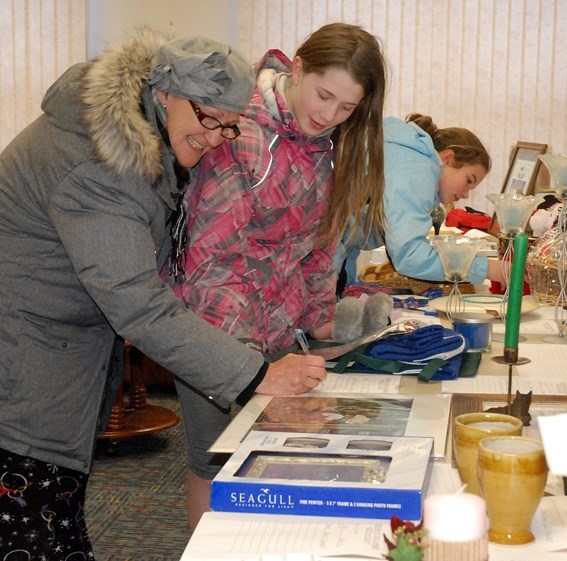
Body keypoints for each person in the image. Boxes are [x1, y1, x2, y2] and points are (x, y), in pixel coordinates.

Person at [0, 28, 327, 558]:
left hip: (54, 351)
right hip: (23, 358)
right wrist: (258, 375)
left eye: (230, 124)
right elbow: (137, 302)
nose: (218, 135)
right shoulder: (101, 164)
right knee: (33, 533)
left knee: (54, 522)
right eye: (206, 116)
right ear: (164, 93)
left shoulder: (143, 140)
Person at [164, 22, 386, 529]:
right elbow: (212, 263)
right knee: (217, 466)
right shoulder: (240, 131)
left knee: (272, 468)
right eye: (324, 95)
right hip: (213, 336)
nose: (329, 115)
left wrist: (317, 326)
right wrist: (251, 371)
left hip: (277, 334)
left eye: (347, 108)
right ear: (298, 68)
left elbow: (315, 251)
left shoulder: (328, 148)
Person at [336, 113, 504, 287]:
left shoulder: (407, 157)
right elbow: (409, 256)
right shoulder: (417, 173)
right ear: (447, 158)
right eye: (468, 180)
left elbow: (358, 229)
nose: (465, 195)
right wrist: (489, 269)